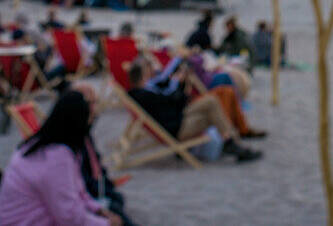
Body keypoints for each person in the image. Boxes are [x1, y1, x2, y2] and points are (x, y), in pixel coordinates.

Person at [0, 89, 121, 226]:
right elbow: (69, 217)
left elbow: (77, 191)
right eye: (90, 119)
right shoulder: (57, 157)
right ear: (79, 123)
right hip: (28, 221)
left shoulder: (42, 144)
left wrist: (98, 210)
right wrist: (106, 224)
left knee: (115, 206)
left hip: (27, 217)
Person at [126, 58, 260, 162]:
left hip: (178, 119)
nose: (151, 72)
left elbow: (171, 100)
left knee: (212, 104)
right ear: (143, 75)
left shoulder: (141, 92)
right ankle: (230, 142)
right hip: (177, 128)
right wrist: (177, 82)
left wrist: (179, 83)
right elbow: (171, 100)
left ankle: (229, 141)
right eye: (147, 70)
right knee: (212, 105)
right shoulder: (143, 94)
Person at [76, 85, 139, 226]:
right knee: (115, 207)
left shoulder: (83, 133)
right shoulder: (69, 145)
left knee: (117, 200)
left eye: (95, 103)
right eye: (90, 103)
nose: (94, 109)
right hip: (89, 196)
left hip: (95, 191)